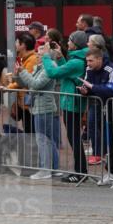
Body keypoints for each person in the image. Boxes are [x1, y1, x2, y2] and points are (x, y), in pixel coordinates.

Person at [41, 30, 89, 183]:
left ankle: (80, 172)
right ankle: (80, 170)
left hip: (72, 103)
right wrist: (61, 58)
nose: (67, 43)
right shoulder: (77, 59)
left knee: (73, 137)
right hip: (70, 102)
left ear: (76, 43)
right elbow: (68, 74)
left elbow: (53, 73)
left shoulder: (77, 61)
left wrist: (46, 56)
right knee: (73, 137)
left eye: (70, 41)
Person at [15, 41, 61, 180]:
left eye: (41, 53)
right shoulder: (39, 67)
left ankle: (45, 169)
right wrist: (19, 74)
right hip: (39, 106)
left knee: (43, 139)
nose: (37, 55)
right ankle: (53, 168)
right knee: (47, 139)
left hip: (44, 107)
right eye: (38, 53)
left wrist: (23, 73)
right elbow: (28, 84)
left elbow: (36, 84)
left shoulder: (49, 67)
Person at [78, 45, 113, 168]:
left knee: (110, 130)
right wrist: (84, 91)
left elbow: (111, 90)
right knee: (91, 125)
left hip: (112, 105)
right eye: (87, 61)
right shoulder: (89, 69)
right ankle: (97, 153)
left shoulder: (111, 69)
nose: (88, 64)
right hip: (95, 103)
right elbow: (87, 86)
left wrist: (92, 87)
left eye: (91, 61)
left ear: (99, 59)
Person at [3, 31, 38, 133]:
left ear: (23, 45)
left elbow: (25, 81)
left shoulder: (32, 60)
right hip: (24, 102)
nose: (15, 44)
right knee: (27, 129)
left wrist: (8, 88)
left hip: (29, 103)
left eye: (17, 42)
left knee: (30, 131)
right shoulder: (25, 59)